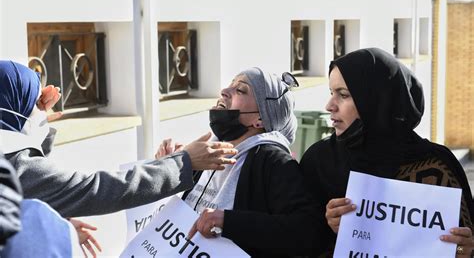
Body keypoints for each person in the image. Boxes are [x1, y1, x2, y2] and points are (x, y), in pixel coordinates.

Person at [0, 60, 238, 217]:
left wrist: (36, 126)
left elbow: (44, 187)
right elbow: (96, 189)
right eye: (35, 102)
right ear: (14, 107)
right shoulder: (14, 167)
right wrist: (183, 163)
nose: (42, 109)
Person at [300, 47, 474, 257]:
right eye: (331, 93)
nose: (329, 105)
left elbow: (462, 241)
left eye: (343, 95)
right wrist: (326, 224)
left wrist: (465, 249)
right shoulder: (319, 162)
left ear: (377, 100)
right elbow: (299, 241)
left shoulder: (436, 165)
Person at [157, 67, 324, 257]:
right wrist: (171, 167)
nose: (224, 92)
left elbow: (308, 231)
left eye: (240, 90)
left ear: (260, 118)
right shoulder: (208, 151)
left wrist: (228, 222)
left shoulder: (274, 162)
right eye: (229, 86)